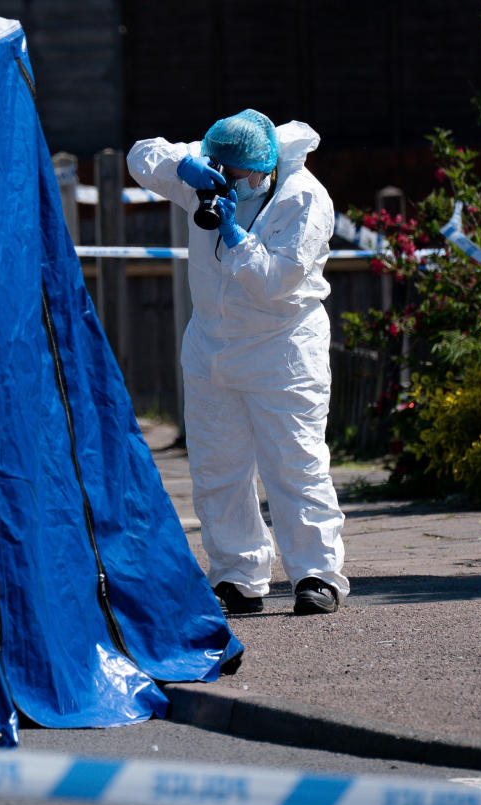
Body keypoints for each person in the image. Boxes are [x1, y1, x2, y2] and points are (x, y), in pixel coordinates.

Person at [126, 109, 349, 616]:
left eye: (234, 175)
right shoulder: (211, 171)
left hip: (282, 350)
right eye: (215, 167)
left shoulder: (304, 199)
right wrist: (184, 169)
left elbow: (277, 282)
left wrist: (238, 236)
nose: (225, 182)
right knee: (217, 469)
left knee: (295, 465)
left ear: (262, 170)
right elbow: (142, 154)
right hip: (211, 349)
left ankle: (317, 574)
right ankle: (237, 576)